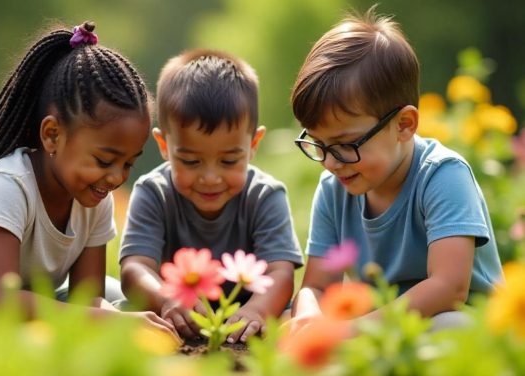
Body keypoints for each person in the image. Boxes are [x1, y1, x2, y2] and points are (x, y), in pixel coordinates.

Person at [0, 21, 178, 339]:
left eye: (128, 163)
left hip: (22, 301)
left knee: (117, 298)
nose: (116, 177)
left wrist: (113, 319)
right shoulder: (8, 187)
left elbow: (88, 298)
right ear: (52, 135)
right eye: (104, 160)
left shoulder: (94, 198)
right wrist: (107, 322)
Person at [289, 8, 504, 331]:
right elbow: (317, 286)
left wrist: (350, 332)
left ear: (404, 125)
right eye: (318, 143)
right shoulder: (333, 188)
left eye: (345, 144)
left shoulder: (443, 176)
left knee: (450, 325)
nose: (330, 162)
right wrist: (309, 316)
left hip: (458, 324)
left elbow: (449, 288)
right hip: (378, 327)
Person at [118, 49, 304, 343]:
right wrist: (165, 299)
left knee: (292, 317)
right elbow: (135, 267)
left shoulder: (265, 195)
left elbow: (280, 271)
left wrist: (257, 310)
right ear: (164, 146)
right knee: (125, 315)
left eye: (229, 161)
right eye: (191, 161)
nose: (210, 178)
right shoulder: (153, 192)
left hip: (247, 318)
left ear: (253, 144)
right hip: (176, 315)